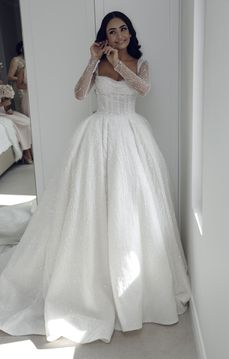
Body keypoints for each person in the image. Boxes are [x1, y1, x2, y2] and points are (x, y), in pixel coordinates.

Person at [0, 11, 191, 344]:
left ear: (131, 33)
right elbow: (78, 93)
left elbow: (143, 90)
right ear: (104, 36)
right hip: (96, 135)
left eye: (123, 30)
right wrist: (92, 61)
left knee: (131, 206)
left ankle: (134, 281)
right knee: (91, 203)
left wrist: (117, 64)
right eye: (111, 31)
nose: (118, 35)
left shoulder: (140, 63)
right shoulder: (97, 62)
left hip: (131, 136)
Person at [7, 41, 25, 113]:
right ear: (21, 48)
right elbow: (10, 77)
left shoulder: (31, 59)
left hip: (27, 86)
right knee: (23, 108)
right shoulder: (16, 60)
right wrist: (23, 79)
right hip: (20, 89)